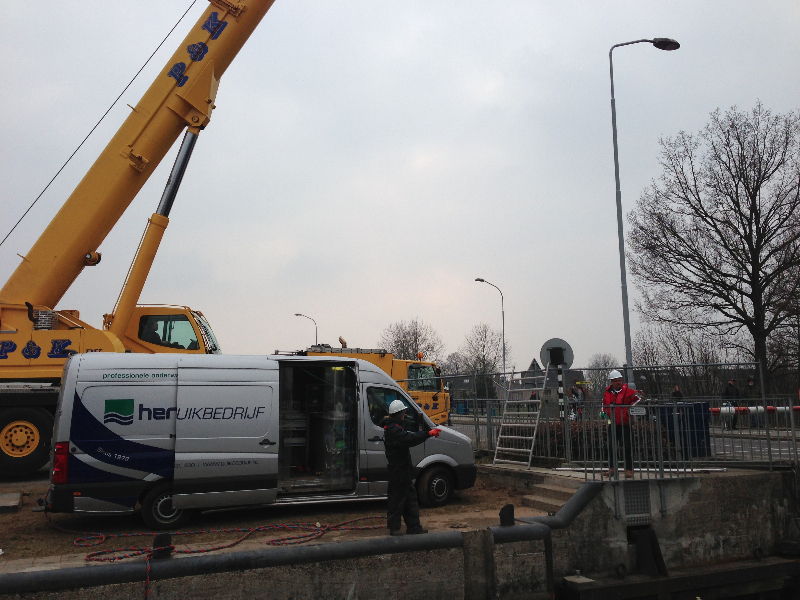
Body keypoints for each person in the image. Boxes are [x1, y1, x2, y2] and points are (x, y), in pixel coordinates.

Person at [380, 399, 441, 536]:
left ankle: (414, 527)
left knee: (410, 499)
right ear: (399, 414)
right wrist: (427, 434)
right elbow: (409, 438)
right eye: (404, 413)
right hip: (398, 471)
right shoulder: (394, 430)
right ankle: (394, 528)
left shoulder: (394, 427)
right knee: (397, 499)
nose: (405, 415)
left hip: (404, 470)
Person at [602, 370, 640, 479]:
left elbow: (638, 399)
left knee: (627, 446)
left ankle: (629, 469)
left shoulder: (628, 391)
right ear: (611, 382)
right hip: (613, 423)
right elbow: (604, 404)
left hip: (625, 423)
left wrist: (630, 410)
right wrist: (605, 414)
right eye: (616, 381)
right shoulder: (607, 392)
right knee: (610, 446)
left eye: (620, 380)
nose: (619, 382)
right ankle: (612, 468)